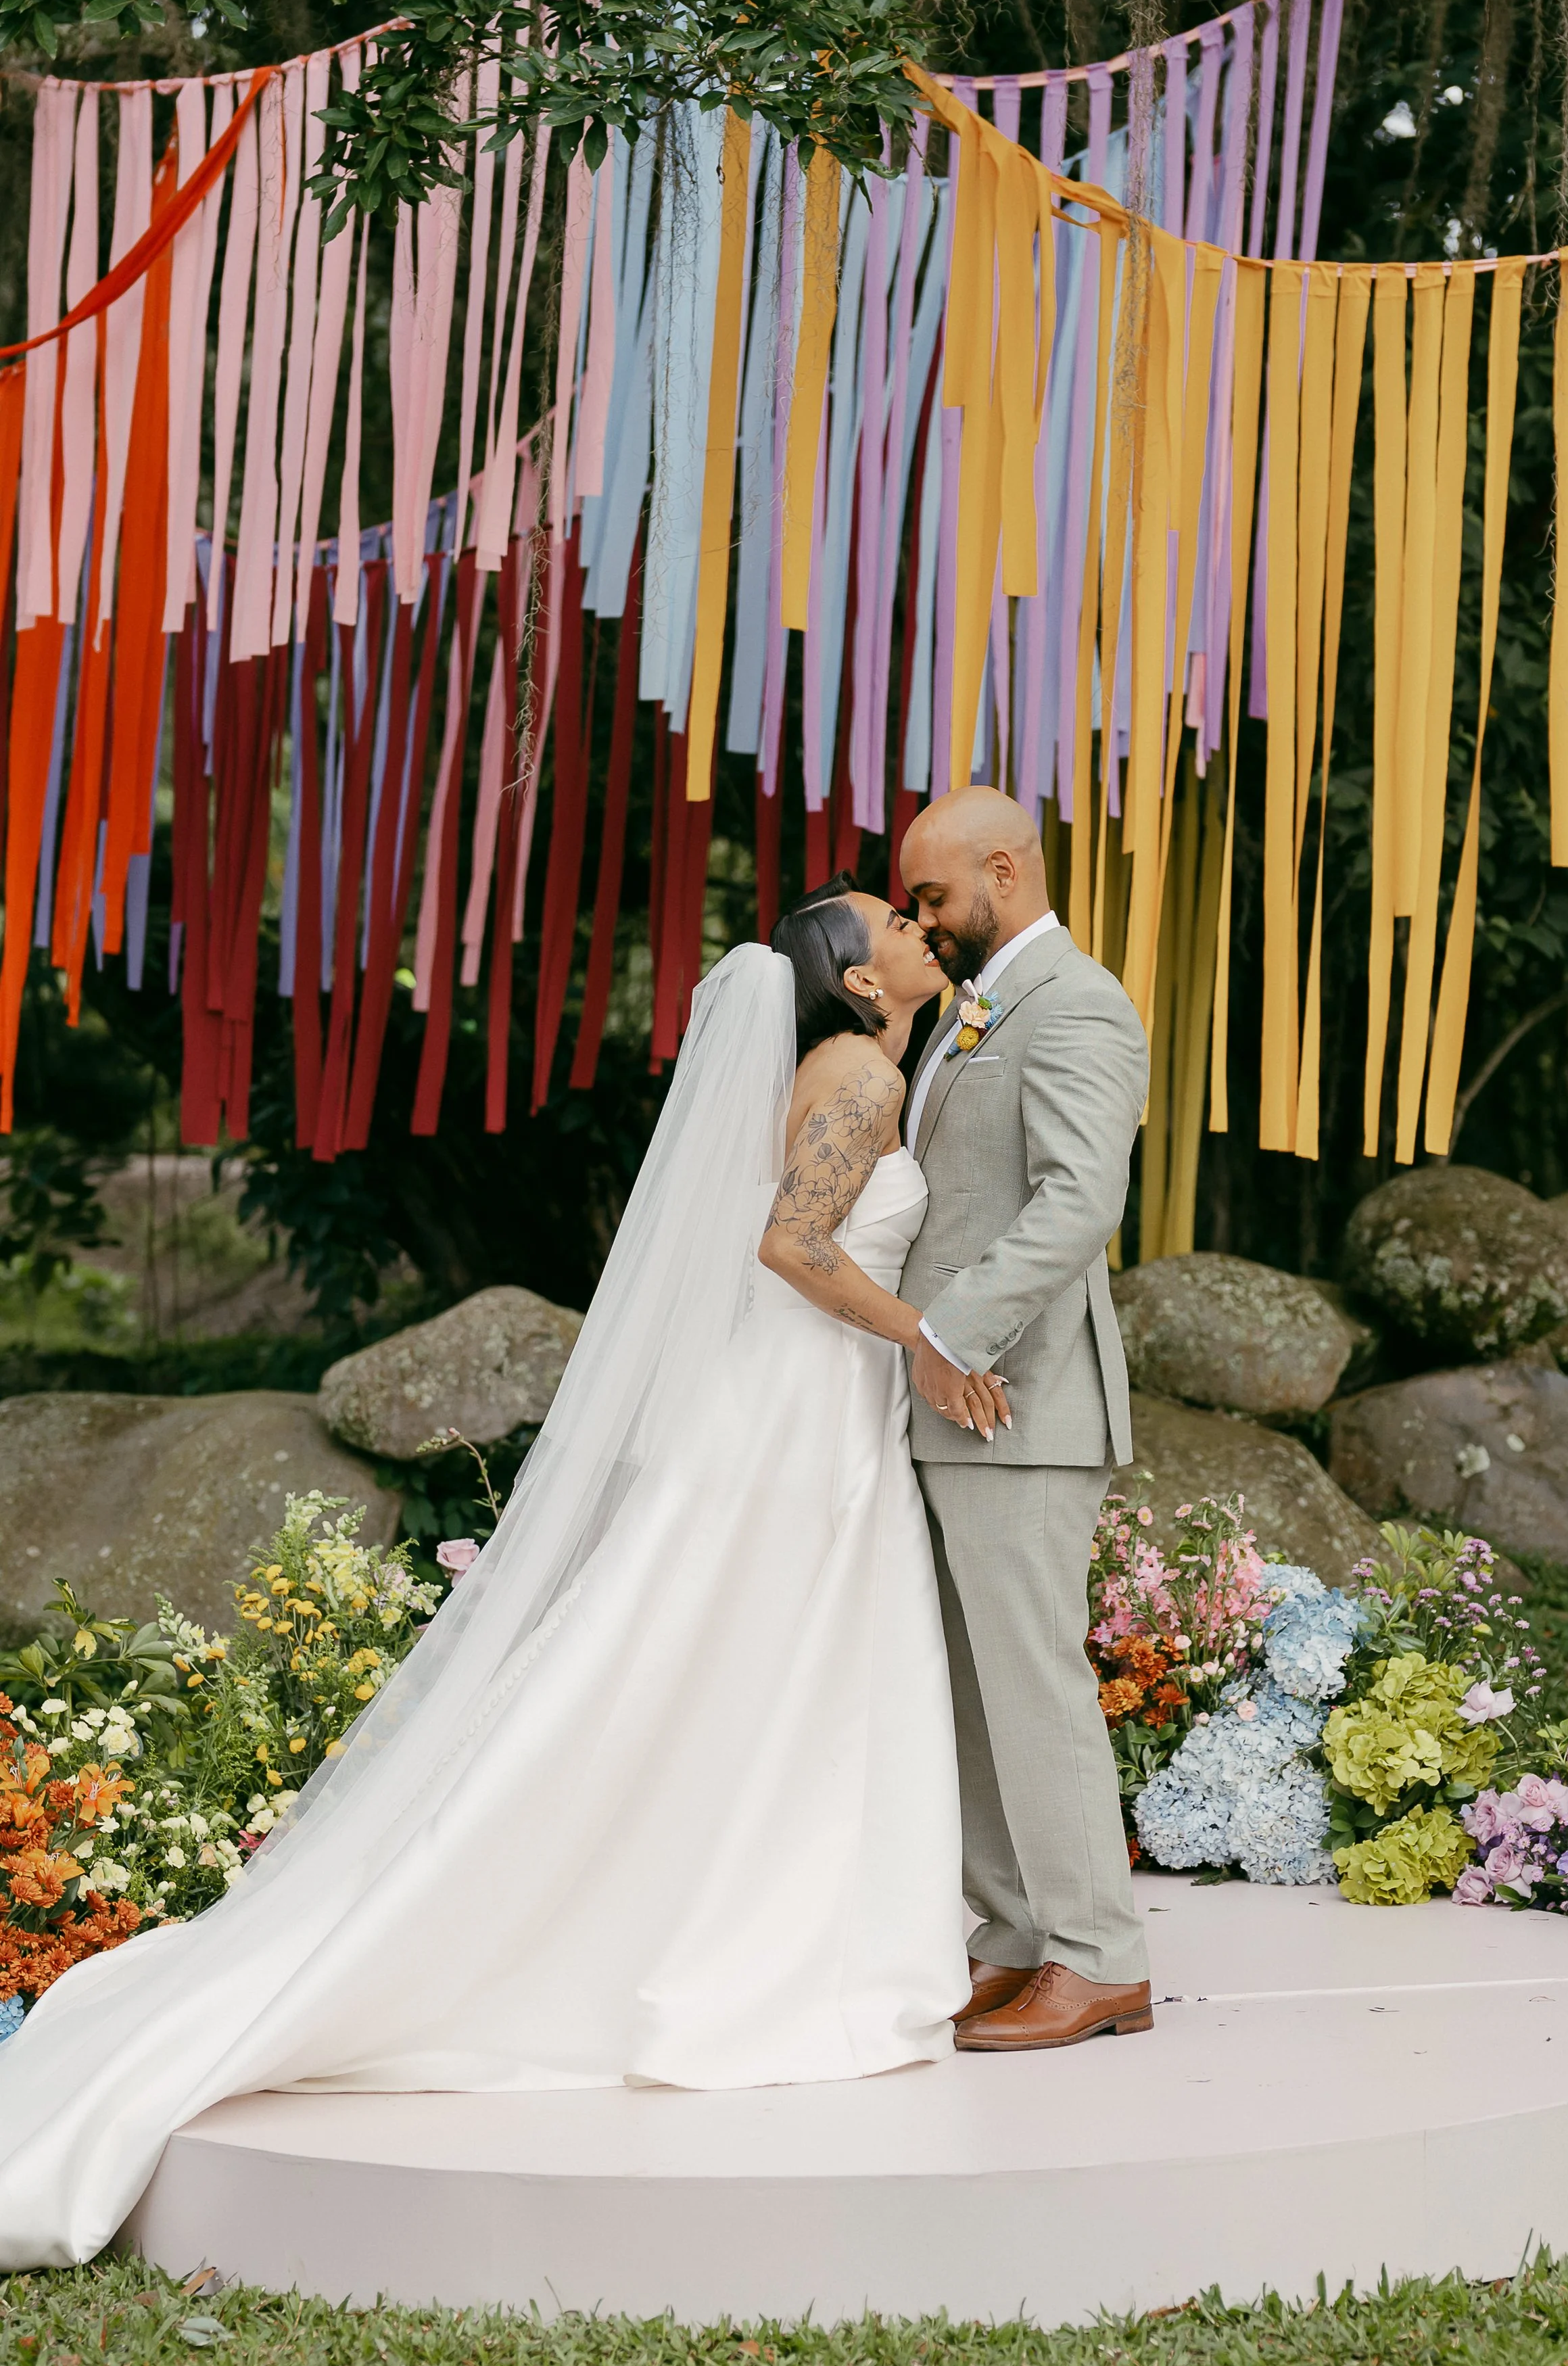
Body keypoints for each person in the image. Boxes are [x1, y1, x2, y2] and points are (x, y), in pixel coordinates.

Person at [0, 886, 970, 2269]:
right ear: (854, 979)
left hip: (807, 1407)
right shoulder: (862, 1070)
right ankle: (745, 1939)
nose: (918, 931)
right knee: (742, 1667)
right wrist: (928, 1337)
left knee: (753, 1676)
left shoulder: (864, 1062)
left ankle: (770, 1910)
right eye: (894, 922)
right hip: (792, 1418)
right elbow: (792, 1246)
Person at [898, 785, 1154, 2050]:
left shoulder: (1081, 1004)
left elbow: (1077, 1201)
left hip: (1021, 1405)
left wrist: (950, 1335)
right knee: (972, 1685)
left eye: (934, 895)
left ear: (1005, 868)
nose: (919, 918)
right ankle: (1011, 1939)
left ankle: (1101, 1955)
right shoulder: (977, 1007)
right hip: (957, 1409)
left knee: (1035, 1683)